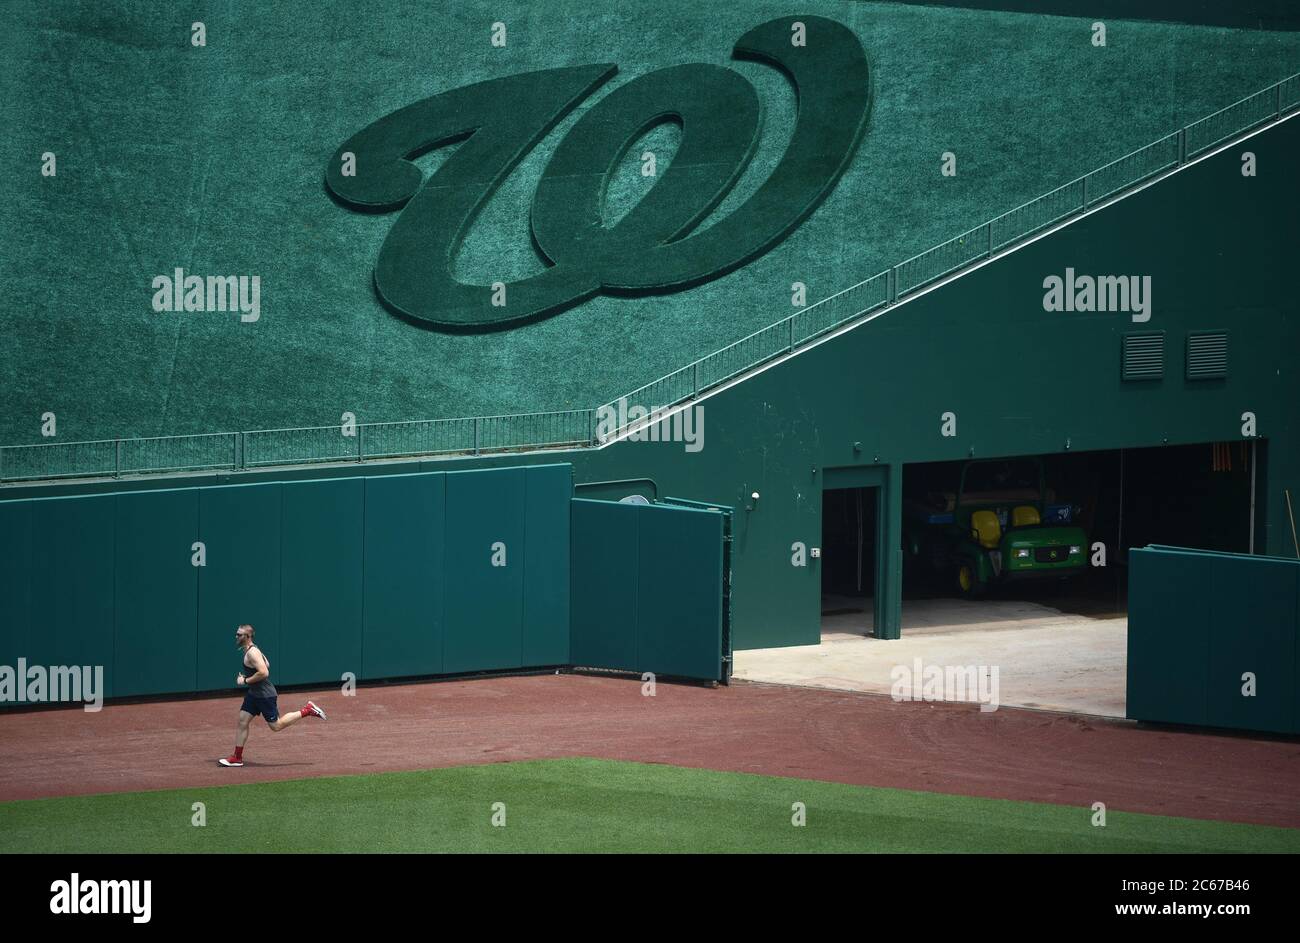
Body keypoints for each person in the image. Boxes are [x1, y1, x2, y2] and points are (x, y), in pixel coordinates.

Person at [219, 624, 326, 767]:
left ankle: (307, 710)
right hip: (254, 694)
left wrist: (245, 680)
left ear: (248, 636)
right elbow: (267, 664)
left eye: (239, 635)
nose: (236, 637)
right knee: (242, 721)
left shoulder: (252, 652)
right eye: (236, 634)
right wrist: (251, 675)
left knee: (276, 726)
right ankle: (237, 757)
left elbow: (264, 672)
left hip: (264, 695)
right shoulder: (252, 649)